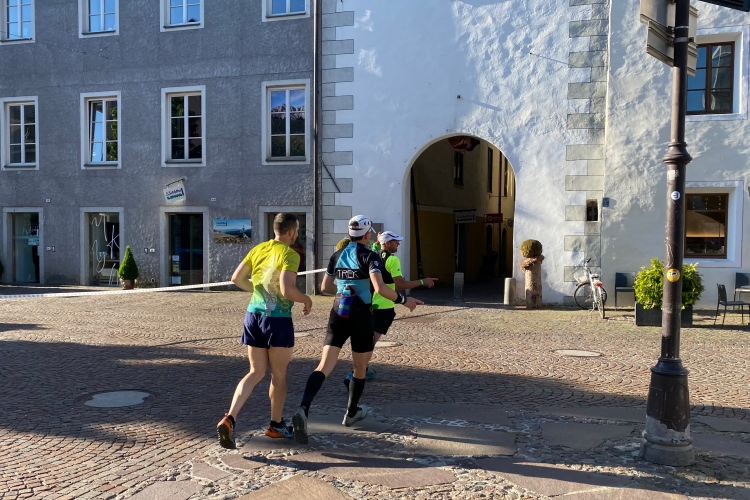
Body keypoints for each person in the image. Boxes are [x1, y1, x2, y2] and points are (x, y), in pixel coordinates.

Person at [291, 215, 423, 444]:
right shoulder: (370, 256)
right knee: (360, 367)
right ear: (367, 234)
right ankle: (351, 412)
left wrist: (345, 290)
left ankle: (303, 409)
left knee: (323, 365)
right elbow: (380, 288)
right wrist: (404, 300)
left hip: (339, 310)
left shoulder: (337, 255)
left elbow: (325, 286)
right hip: (361, 314)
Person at [216, 213, 313, 449]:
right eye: (297, 230)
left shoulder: (258, 249)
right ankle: (275, 425)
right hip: (277, 319)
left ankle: (230, 418)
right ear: (291, 231)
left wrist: (257, 291)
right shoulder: (290, 254)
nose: (297, 234)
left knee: (255, 371)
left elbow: (236, 278)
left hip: (253, 316)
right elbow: (287, 290)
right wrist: (306, 299)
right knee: (278, 375)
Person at [344, 230, 437, 386]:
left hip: (369, 303)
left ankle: (362, 370)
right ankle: (355, 374)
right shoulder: (392, 260)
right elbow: (400, 285)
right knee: (370, 342)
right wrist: (422, 281)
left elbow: (375, 248)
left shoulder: (373, 254)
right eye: (395, 241)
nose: (398, 244)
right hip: (384, 306)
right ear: (387, 243)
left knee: (366, 340)